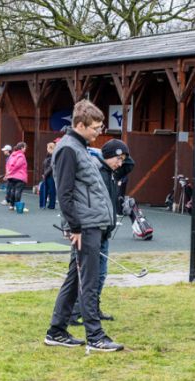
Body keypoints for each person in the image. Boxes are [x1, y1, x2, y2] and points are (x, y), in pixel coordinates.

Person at [44, 100, 124, 352]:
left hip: (92, 224)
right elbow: (64, 193)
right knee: (88, 280)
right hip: (85, 226)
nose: (99, 131)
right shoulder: (68, 149)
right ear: (80, 125)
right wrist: (75, 227)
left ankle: (56, 331)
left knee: (75, 278)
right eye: (95, 127)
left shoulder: (82, 147)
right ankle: (96, 336)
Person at [68, 138, 128, 325]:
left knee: (100, 274)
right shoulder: (95, 170)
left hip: (104, 229)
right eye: (118, 159)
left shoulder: (111, 172)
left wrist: (120, 154)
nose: (121, 164)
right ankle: (74, 312)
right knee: (84, 274)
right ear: (108, 156)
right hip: (90, 227)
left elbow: (130, 164)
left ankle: (92, 308)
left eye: (122, 160)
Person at [4, 142, 27, 209]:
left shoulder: (12, 155)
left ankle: (11, 206)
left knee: (13, 191)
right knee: (18, 191)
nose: (25, 149)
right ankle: (17, 206)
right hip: (20, 176)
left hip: (11, 176)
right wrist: (10, 171)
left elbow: (8, 165)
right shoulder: (21, 155)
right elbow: (17, 165)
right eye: (25, 147)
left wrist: (8, 173)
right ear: (22, 148)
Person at [39, 140, 58, 209]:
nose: (46, 148)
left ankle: (51, 205)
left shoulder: (54, 156)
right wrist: (43, 173)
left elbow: (51, 166)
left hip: (51, 175)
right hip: (47, 175)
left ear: (50, 148)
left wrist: (45, 174)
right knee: (44, 189)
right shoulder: (48, 155)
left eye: (47, 147)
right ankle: (43, 204)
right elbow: (44, 166)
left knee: (51, 190)